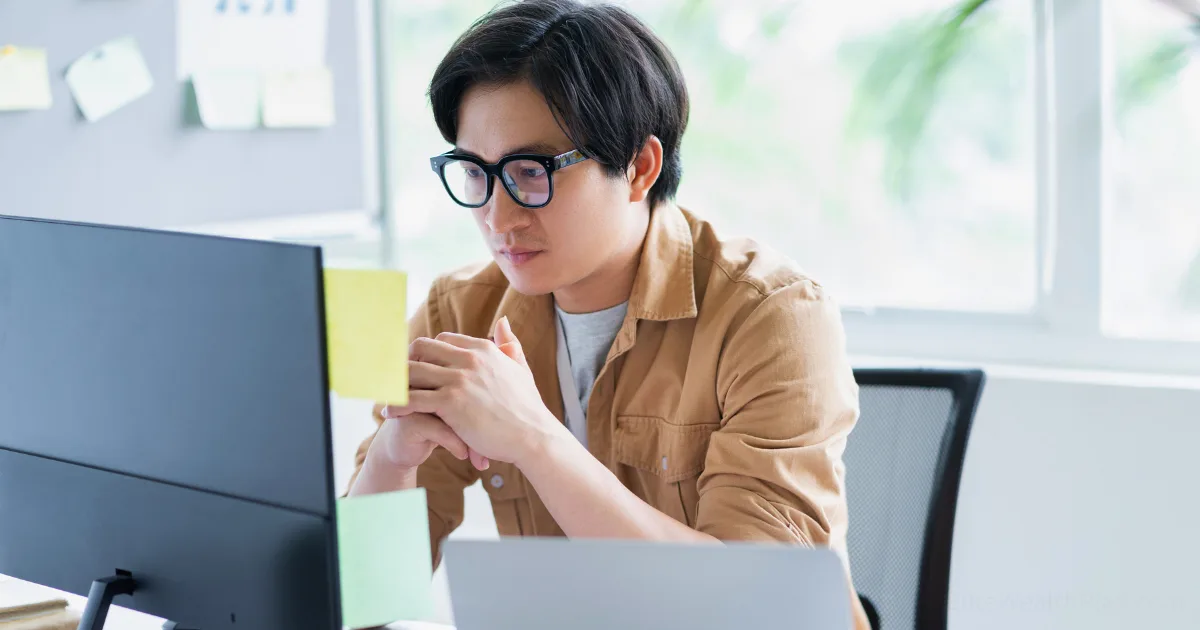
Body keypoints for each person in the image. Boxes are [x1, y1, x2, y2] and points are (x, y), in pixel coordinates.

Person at [347, 0, 869, 627]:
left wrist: (535, 439)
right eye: (476, 173)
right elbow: (359, 601)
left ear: (639, 168)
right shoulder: (459, 310)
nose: (498, 216)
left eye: (529, 172)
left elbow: (753, 607)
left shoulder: (773, 317)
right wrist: (391, 456)